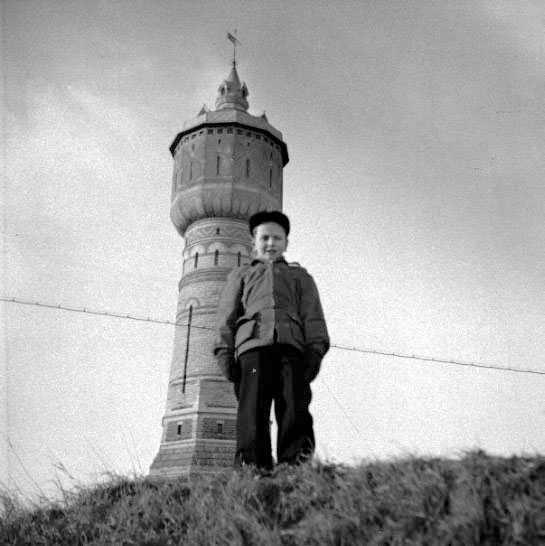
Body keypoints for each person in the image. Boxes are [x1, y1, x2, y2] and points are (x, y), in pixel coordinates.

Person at [213, 210, 329, 470]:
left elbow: (313, 316)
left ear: (286, 242)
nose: (270, 243)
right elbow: (226, 317)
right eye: (264, 238)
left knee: (294, 406)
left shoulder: (300, 277)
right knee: (252, 408)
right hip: (252, 350)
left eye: (277, 238)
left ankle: (295, 465)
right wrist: (224, 353)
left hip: (291, 349)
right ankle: (253, 466)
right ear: (253, 242)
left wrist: (315, 351)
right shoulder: (241, 275)